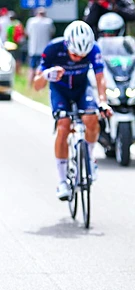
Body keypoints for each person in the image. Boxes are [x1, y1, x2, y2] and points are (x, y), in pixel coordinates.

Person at [33, 20, 113, 200]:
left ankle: (90, 159)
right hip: (59, 91)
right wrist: (46, 75)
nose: (78, 58)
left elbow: (100, 78)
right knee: (63, 125)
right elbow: (36, 85)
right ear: (67, 45)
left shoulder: (93, 48)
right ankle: (62, 181)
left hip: (81, 89)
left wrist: (103, 101)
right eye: (75, 54)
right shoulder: (53, 49)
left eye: (82, 56)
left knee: (92, 118)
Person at [25, 7, 55, 87]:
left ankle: (30, 85)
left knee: (32, 68)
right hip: (45, 50)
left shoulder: (31, 21)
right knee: (43, 69)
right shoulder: (48, 22)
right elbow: (52, 33)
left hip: (33, 49)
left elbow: (27, 33)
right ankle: (41, 86)